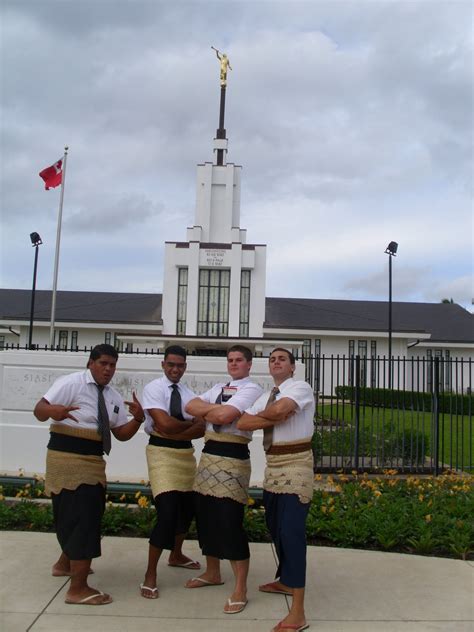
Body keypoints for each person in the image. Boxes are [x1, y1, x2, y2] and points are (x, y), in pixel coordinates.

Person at [33, 343, 145, 606]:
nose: (108, 369)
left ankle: (64, 564)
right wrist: (54, 412)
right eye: (103, 363)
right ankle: (78, 589)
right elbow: (39, 409)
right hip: (66, 458)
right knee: (83, 518)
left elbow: (120, 435)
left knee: (82, 514)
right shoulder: (71, 383)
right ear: (90, 363)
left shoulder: (113, 397)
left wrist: (138, 419)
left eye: (112, 365)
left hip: (94, 461)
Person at [238, 348, 315, 632]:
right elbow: (243, 422)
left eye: (282, 359)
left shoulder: (300, 387)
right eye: (272, 359)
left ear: (293, 367)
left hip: (297, 465)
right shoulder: (265, 394)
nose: (276, 362)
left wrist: (271, 414)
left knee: (291, 532)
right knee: (274, 525)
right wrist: (271, 415)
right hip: (273, 467)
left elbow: (282, 411)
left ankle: (298, 612)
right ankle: (285, 579)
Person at [184, 345, 263, 615]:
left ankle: (240, 587)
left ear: (249, 364)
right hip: (208, 456)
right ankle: (212, 572)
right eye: (230, 360)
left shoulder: (251, 389)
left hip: (234, 457)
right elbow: (189, 405)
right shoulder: (219, 387)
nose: (233, 364)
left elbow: (225, 416)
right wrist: (214, 410)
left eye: (239, 360)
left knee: (230, 521)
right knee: (205, 517)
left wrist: (209, 410)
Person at [140, 345, 206, 599]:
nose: (175, 369)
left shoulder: (189, 394)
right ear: (163, 364)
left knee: (187, 509)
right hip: (162, 454)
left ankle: (176, 555)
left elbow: (201, 429)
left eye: (180, 365)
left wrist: (178, 427)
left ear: (185, 367)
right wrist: (188, 424)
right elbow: (163, 424)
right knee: (167, 513)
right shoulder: (154, 389)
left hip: (185, 455)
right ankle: (150, 574)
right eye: (171, 364)